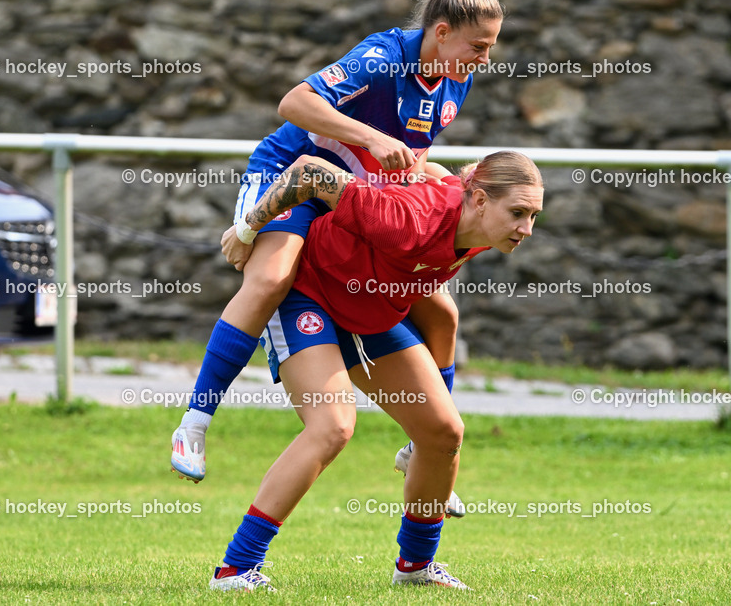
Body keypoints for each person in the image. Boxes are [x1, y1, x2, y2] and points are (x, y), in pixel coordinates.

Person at [170, 0, 505, 509]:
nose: (485, 59)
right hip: (290, 175)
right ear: (441, 32)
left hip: (349, 191)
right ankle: (195, 422)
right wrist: (369, 140)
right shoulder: (381, 59)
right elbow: (293, 103)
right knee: (273, 277)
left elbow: (409, 155)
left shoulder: (455, 79)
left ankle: (419, 445)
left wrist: (440, 175)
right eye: (478, 46)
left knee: (443, 310)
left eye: (492, 47)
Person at [205, 150, 544, 592]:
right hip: (308, 295)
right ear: (479, 200)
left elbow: (438, 180)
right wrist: (247, 229)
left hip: (369, 308)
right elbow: (310, 171)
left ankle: (416, 566)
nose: (527, 229)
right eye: (518, 213)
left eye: (534, 215)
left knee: (442, 432)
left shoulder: (479, 226)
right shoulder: (411, 217)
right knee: (332, 426)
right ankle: (235, 569)